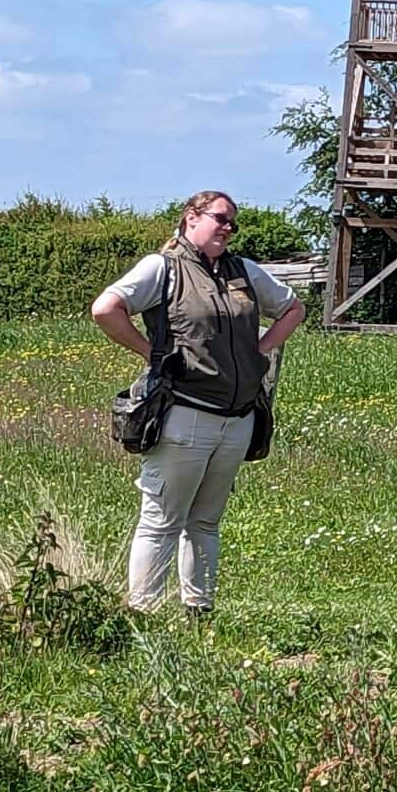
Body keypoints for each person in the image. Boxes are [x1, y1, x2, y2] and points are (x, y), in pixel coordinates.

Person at [91, 190, 306, 613]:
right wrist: (150, 351)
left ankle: (199, 613)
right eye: (220, 219)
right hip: (184, 412)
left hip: (237, 418)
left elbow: (293, 309)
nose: (228, 229)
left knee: (206, 522)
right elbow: (106, 308)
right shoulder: (163, 268)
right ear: (191, 218)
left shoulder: (242, 270)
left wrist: (260, 351)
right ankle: (144, 615)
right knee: (161, 523)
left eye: (232, 223)